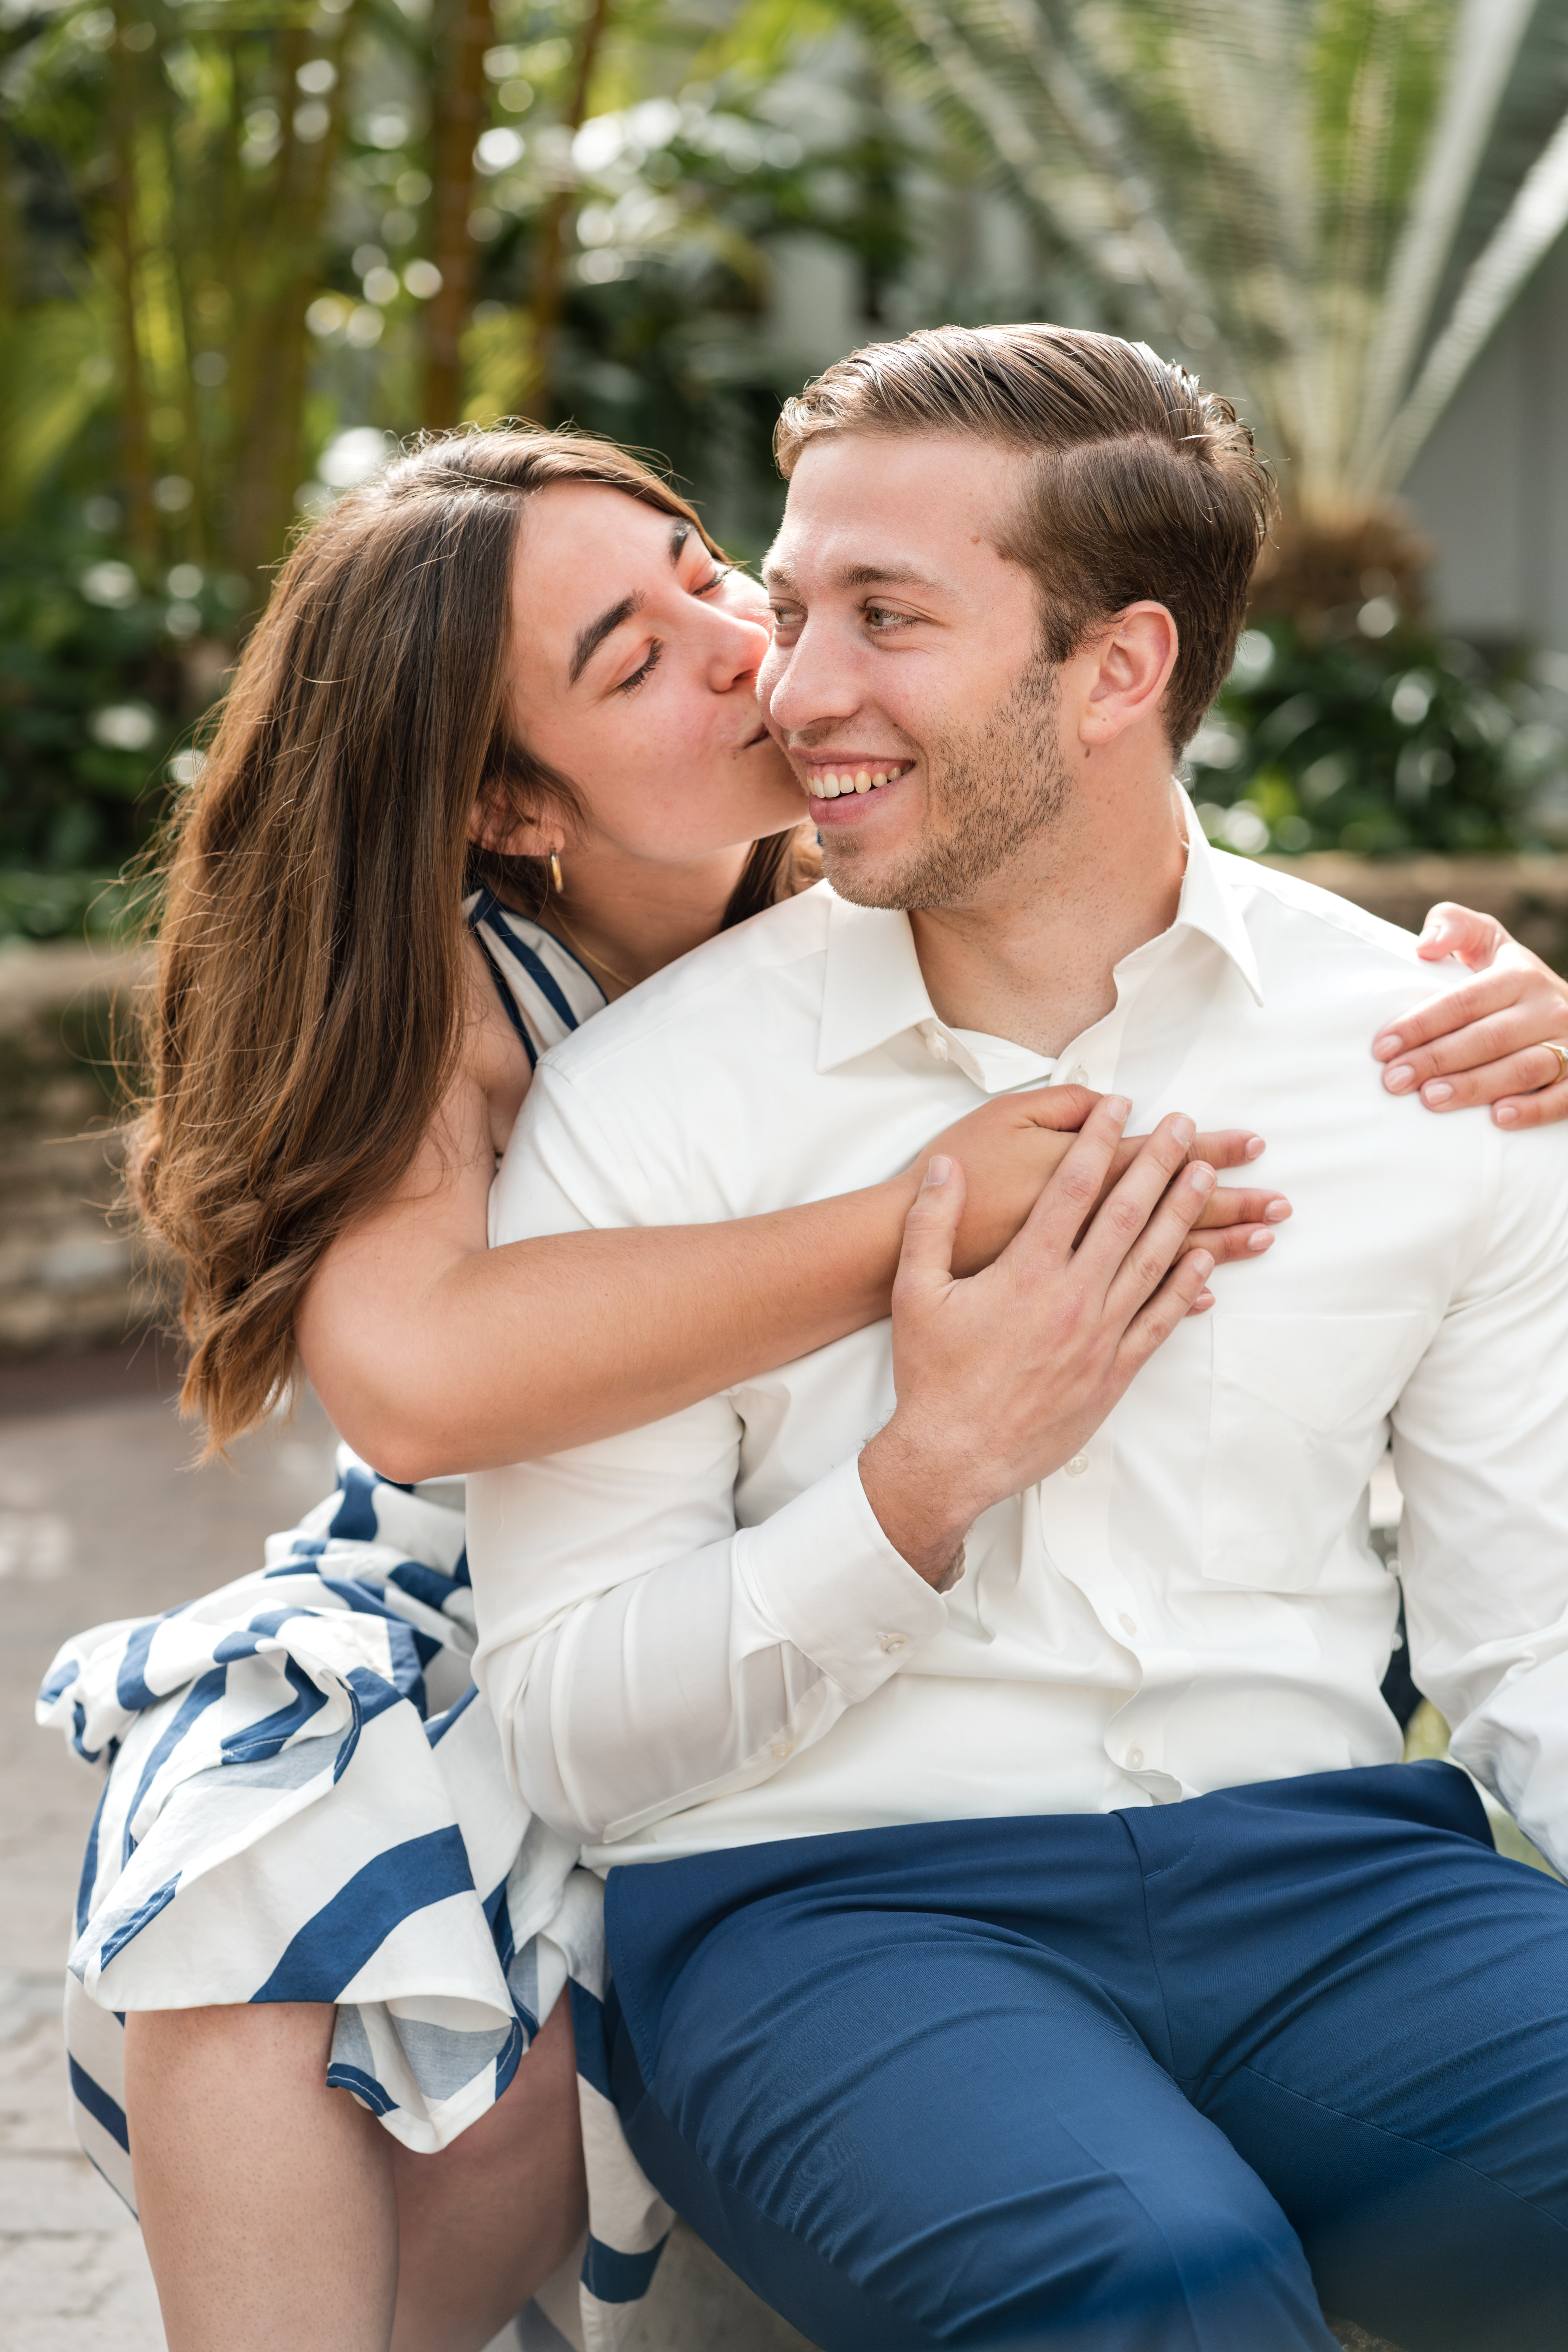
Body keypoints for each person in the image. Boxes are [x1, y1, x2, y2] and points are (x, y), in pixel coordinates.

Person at [40, 424, 1305, 2352]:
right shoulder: (471, 989)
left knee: (528, 2085)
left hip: (774, 1598)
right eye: (630, 660)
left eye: (709, 569)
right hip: (463, 1608)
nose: (740, 642)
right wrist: (913, 1216)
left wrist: (1491, 1026)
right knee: (254, 1841)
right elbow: (417, 1383)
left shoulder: (901, 854)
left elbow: (1211, 938)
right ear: (513, 814)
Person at [469, 329, 1568, 2352]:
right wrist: (926, 1481)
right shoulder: (660, 1102)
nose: (796, 692)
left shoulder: (1426, 1057)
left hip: (1347, 1894)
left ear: (1119, 670)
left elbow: (1531, 1642)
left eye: (887, 620)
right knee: (1159, 2281)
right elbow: (556, 1723)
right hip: (834, 1920)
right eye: (792, 611)